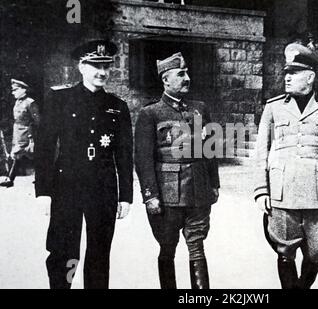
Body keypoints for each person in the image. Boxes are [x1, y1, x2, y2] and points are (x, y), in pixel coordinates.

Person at [34, 40, 134, 289]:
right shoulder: (60, 99)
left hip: (103, 188)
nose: (102, 72)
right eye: (95, 66)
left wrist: (126, 196)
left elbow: (124, 153)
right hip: (67, 185)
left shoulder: (117, 107)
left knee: (99, 253)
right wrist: (44, 191)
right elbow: (45, 147)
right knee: (64, 251)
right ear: (81, 67)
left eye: (106, 67)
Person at [254, 43, 318, 289]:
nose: (286, 77)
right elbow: (261, 151)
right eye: (286, 72)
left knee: (316, 251)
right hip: (282, 191)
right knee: (284, 251)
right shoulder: (273, 107)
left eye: (294, 73)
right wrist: (260, 189)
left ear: (310, 77)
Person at [135, 52, 220, 289]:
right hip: (167, 196)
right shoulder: (150, 113)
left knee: (197, 245)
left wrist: (214, 184)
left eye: (187, 73)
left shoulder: (200, 109)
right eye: (181, 74)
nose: (187, 78)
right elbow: (143, 159)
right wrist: (150, 195)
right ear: (166, 79)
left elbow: (211, 150)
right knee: (167, 246)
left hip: (199, 191)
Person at [0, 79, 40, 188]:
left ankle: (10, 178)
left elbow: (37, 121)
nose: (13, 92)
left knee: (30, 156)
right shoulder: (18, 102)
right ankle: (11, 179)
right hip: (18, 133)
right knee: (20, 156)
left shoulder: (30, 102)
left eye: (16, 90)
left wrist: (32, 136)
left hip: (27, 134)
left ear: (23, 90)